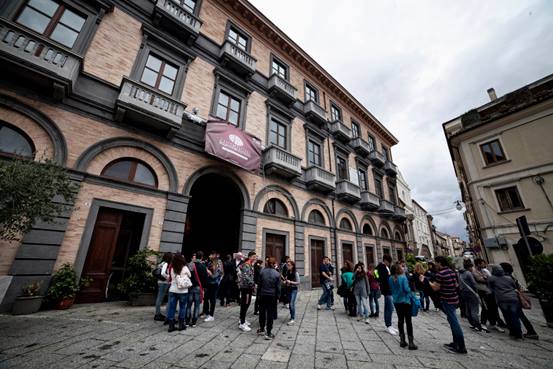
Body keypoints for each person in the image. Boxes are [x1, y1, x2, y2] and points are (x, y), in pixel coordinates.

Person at [430, 256, 467, 354]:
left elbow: (435, 288)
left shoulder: (440, 273)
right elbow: (456, 285)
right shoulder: (452, 271)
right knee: (452, 321)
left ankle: (461, 346)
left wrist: (427, 282)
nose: (435, 264)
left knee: (454, 323)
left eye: (436, 263)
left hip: (447, 300)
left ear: (439, 263)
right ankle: (455, 343)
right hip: (454, 299)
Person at [499, 262, 539, 340]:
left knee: (517, 316)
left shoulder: (506, 277)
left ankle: (527, 332)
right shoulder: (511, 276)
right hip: (515, 298)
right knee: (520, 315)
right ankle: (530, 332)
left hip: (513, 299)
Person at [488, 264, 522, 339]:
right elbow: (514, 287)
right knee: (515, 316)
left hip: (502, 299)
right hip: (513, 298)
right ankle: (519, 333)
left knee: (507, 316)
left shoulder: (491, 279)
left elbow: (490, 288)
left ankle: (512, 331)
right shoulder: (509, 278)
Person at [389, 264, 417, 350]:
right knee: (408, 321)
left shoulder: (390, 278)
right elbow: (406, 289)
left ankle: (402, 341)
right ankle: (411, 342)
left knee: (400, 320)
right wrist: (411, 291)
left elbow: (391, 289)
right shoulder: (403, 277)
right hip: (405, 301)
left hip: (396, 302)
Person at [473, 258, 504, 333]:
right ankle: (483, 323)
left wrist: (486, 278)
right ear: (478, 264)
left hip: (490, 291)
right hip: (482, 292)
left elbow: (489, 278)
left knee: (493, 307)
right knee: (485, 307)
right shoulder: (474, 272)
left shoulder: (484, 270)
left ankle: (493, 323)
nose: (484, 265)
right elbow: (480, 279)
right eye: (483, 263)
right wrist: (486, 279)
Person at [256, 257, 281, 339]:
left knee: (262, 312)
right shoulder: (277, 274)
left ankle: (262, 329)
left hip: (262, 294)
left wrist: (258, 295)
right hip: (272, 296)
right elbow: (278, 288)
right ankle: (269, 332)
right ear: (274, 264)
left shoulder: (262, 271)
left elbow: (259, 285)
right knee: (270, 314)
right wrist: (278, 297)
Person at [166, 254, 191, 332]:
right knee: (182, 307)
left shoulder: (172, 268)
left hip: (173, 290)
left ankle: (171, 326)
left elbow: (169, 276)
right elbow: (190, 275)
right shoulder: (185, 267)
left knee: (172, 307)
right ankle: (181, 325)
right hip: (183, 291)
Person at [459, 259, 483, 332]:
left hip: (463, 292)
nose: (472, 269)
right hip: (471, 292)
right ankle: (477, 325)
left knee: (468, 308)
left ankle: (472, 323)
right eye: (471, 267)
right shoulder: (468, 273)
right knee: (474, 309)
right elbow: (474, 284)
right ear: (469, 267)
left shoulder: (460, 273)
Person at [186, 251, 207, 328]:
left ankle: (187, 321)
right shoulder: (203, 266)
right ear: (201, 257)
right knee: (197, 305)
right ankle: (194, 322)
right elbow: (205, 278)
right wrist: (204, 287)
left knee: (188, 305)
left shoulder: (190, 265)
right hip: (198, 287)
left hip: (190, 287)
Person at [377, 254, 397, 335]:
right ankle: (388, 325)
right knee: (390, 308)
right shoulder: (381, 267)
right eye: (388, 262)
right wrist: (379, 281)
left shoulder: (386, 267)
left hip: (389, 290)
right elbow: (377, 274)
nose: (389, 263)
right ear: (385, 260)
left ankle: (389, 325)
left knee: (388, 307)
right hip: (386, 290)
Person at [237, 251, 256, 331]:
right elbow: (246, 276)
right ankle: (242, 323)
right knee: (245, 304)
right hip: (246, 288)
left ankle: (242, 319)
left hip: (248, 287)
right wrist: (253, 284)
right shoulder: (246, 265)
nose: (255, 258)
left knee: (246, 304)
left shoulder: (250, 264)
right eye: (254, 257)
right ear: (250, 257)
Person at [203, 251, 223, 322]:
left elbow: (215, 276)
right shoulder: (209, 262)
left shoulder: (218, 263)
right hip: (208, 283)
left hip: (214, 284)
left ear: (215, 255)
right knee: (205, 298)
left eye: (211, 255)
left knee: (212, 299)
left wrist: (209, 273)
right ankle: (207, 312)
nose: (209, 256)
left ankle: (211, 315)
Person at [154, 252, 172, 322]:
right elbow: (163, 273)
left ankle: (157, 313)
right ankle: (157, 314)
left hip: (160, 282)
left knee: (159, 298)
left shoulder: (161, 263)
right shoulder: (166, 263)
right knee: (160, 298)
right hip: (164, 283)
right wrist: (168, 277)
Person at [284, 260, 300, 325]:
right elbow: (286, 280)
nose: (288, 266)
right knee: (290, 304)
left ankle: (293, 318)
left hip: (294, 290)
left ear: (292, 266)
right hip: (288, 289)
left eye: (289, 265)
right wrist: (285, 282)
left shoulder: (296, 273)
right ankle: (291, 316)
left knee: (291, 304)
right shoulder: (287, 272)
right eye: (287, 265)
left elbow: (298, 282)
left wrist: (290, 282)